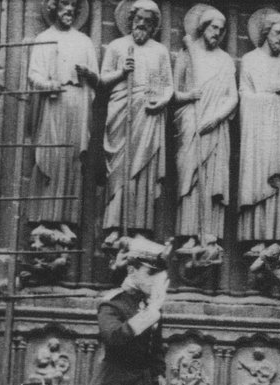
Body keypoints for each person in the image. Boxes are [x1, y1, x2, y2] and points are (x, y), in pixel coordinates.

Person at [84, 235, 169, 385]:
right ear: (131, 271)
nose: (155, 280)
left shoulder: (151, 307)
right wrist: (150, 314)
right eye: (150, 273)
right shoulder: (113, 304)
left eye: (159, 275)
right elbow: (114, 337)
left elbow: (155, 357)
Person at [99, 0, 173, 236]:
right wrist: (122, 72)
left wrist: (162, 101)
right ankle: (114, 226)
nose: (142, 24)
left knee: (143, 171)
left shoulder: (160, 51)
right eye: (138, 19)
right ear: (130, 20)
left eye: (148, 21)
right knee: (120, 168)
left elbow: (168, 86)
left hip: (149, 115)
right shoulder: (117, 46)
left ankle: (141, 226)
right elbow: (101, 82)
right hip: (122, 112)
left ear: (153, 27)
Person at [26, 0, 98, 227]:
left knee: (73, 160)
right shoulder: (43, 38)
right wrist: (49, 85)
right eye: (64, 4)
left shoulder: (84, 41)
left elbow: (97, 81)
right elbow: (33, 76)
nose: (69, 9)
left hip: (78, 103)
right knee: (52, 157)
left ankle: (66, 217)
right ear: (54, 8)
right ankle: (45, 218)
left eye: (73, 5)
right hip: (54, 103)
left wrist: (88, 73)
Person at [172, 4, 236, 241]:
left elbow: (233, 96)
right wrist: (189, 96)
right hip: (191, 120)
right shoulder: (186, 54)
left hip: (216, 126)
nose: (217, 33)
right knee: (191, 175)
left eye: (221, 30)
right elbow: (173, 93)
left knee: (212, 179)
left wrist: (216, 118)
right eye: (213, 28)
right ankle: (189, 233)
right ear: (203, 28)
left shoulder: (226, 60)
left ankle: (209, 233)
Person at [237, 8, 280, 243]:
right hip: (258, 133)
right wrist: (276, 91)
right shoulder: (250, 60)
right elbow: (244, 97)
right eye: (277, 33)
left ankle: (276, 237)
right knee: (260, 175)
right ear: (265, 33)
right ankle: (255, 237)